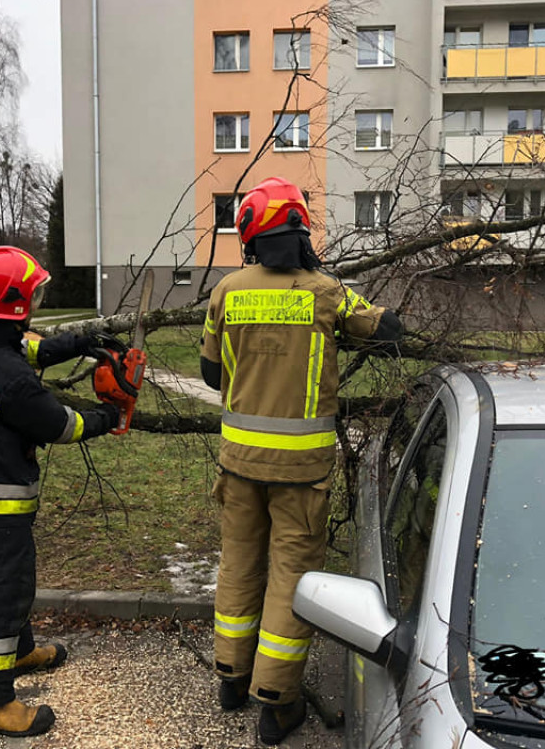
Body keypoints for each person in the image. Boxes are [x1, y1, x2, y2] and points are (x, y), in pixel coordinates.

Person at [200, 177, 403, 745]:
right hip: (302, 473)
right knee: (291, 577)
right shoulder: (327, 292)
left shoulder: (227, 292)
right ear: (300, 231)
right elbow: (388, 331)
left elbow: (210, 373)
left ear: (250, 236)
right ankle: (277, 702)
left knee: (239, 566)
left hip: (238, 464)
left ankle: (231, 679)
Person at [0, 245, 121, 737]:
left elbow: (31, 348)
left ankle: (18, 655)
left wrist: (86, 341)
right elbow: (61, 425)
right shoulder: (8, 377)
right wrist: (112, 416)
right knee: (8, 591)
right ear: (16, 303)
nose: (39, 299)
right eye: (35, 293)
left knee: (7, 581)